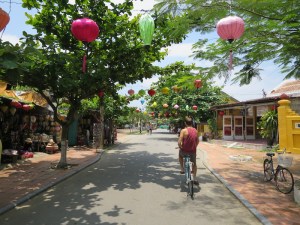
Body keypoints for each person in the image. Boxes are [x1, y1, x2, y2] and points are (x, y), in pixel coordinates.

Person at [177, 116, 199, 185]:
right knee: (194, 164)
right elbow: (197, 141)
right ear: (192, 123)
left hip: (184, 151)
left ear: (185, 123)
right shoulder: (195, 130)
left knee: (180, 156)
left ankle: (182, 168)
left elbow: (179, 142)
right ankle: (194, 178)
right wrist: (194, 147)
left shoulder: (183, 130)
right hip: (193, 151)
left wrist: (180, 147)